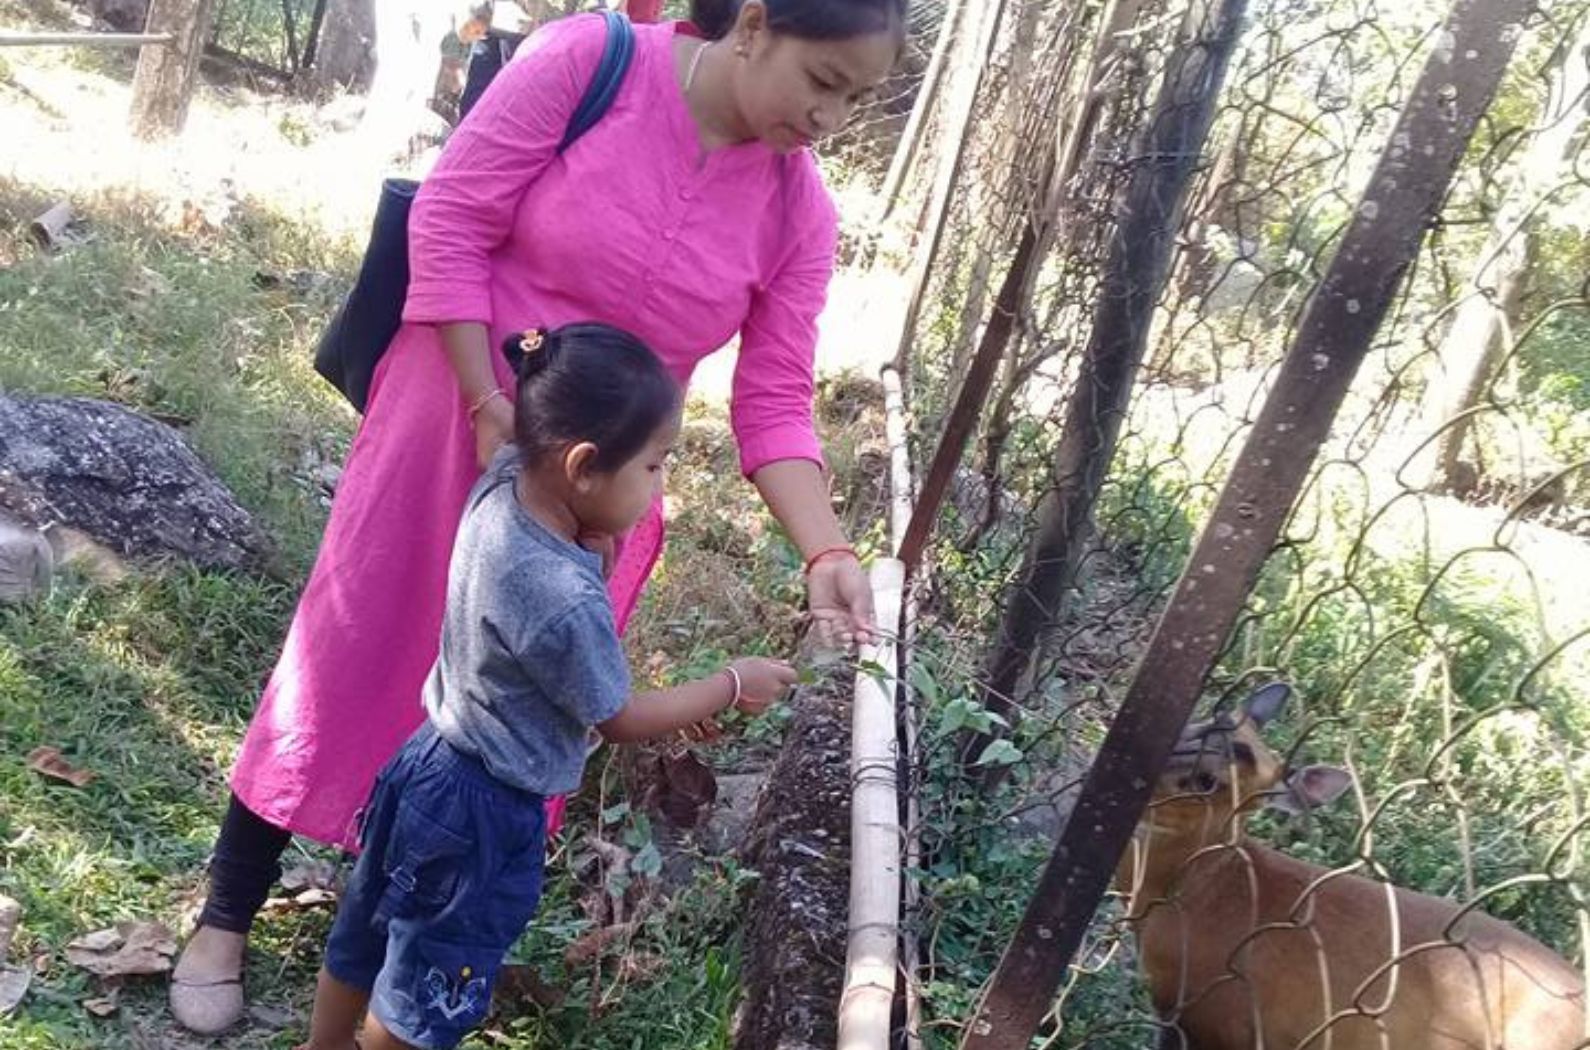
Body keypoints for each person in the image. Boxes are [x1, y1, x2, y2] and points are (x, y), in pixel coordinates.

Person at [170, 0, 905, 1032]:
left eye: (857, 101)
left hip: (594, 505)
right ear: (751, 28)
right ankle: (228, 908)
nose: (830, 118)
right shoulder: (589, 61)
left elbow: (773, 399)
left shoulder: (798, 214)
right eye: (821, 81)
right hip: (456, 416)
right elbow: (454, 218)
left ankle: (390, 927)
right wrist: (486, 404)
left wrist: (825, 546)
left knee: (507, 713)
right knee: (354, 652)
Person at [299, 323, 797, 1050]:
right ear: (585, 465)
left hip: (427, 765)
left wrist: (599, 545)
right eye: (656, 466)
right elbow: (621, 715)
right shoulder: (564, 597)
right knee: (425, 989)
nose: (660, 484)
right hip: (487, 814)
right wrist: (729, 682)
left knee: (368, 927)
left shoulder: (504, 480)